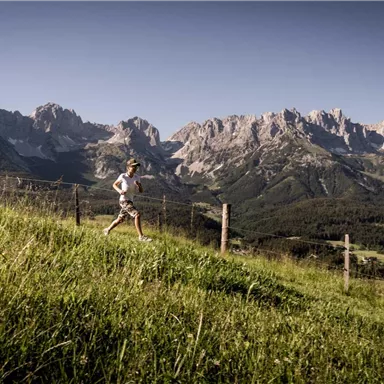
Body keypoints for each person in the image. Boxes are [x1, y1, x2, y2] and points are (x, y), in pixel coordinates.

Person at [103, 158, 152, 242]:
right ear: (128, 167)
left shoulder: (137, 177)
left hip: (130, 201)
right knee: (137, 214)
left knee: (120, 219)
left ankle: (107, 229)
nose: (135, 168)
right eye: (133, 166)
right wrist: (120, 191)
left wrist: (139, 185)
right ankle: (141, 237)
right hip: (123, 200)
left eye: (136, 167)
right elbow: (114, 185)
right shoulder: (123, 176)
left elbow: (141, 191)